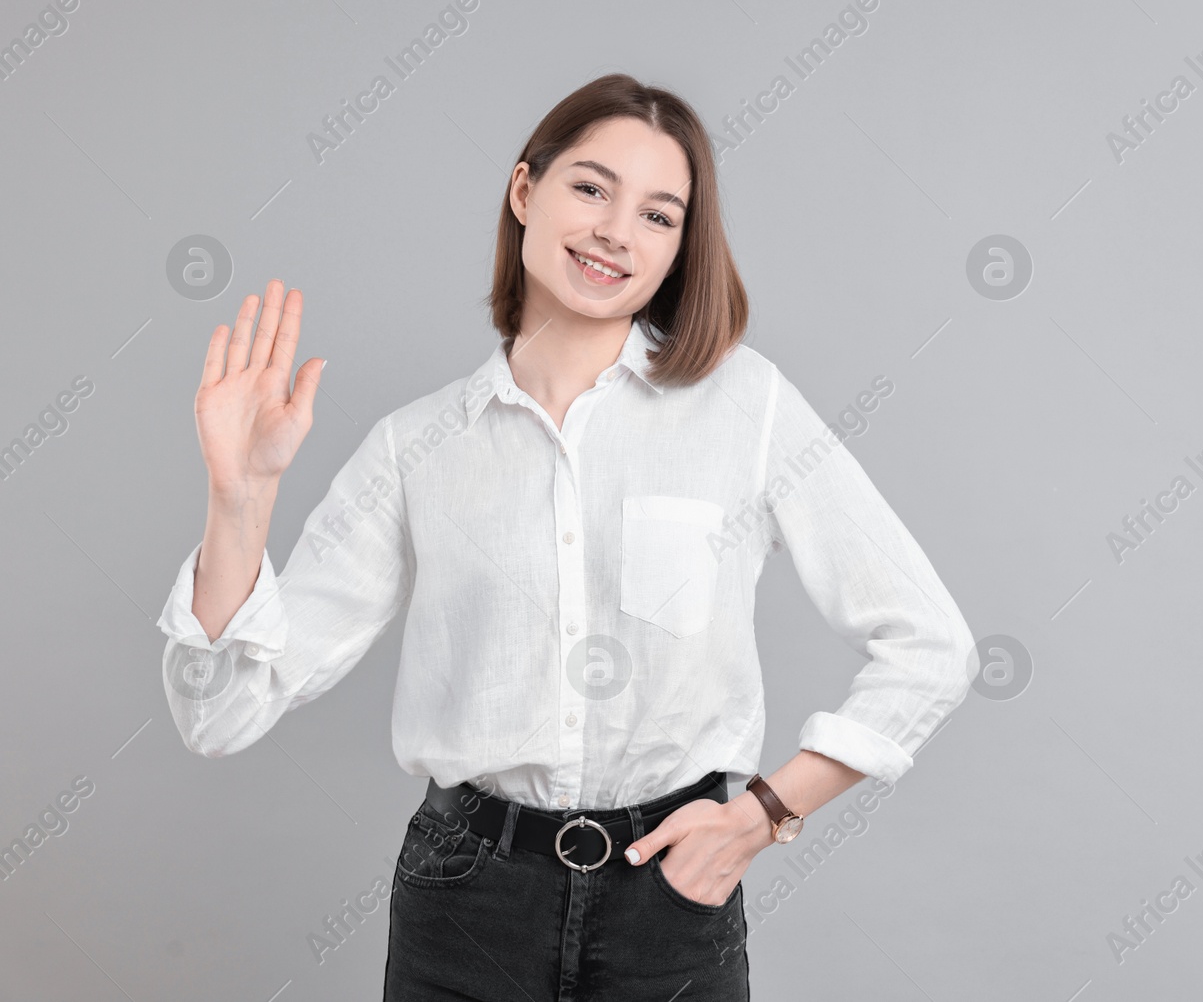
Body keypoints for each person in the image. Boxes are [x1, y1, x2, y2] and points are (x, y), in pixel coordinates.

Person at [155, 73, 975, 1000]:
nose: (617, 232)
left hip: (670, 904)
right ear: (523, 191)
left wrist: (765, 813)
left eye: (659, 215)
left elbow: (932, 645)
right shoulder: (416, 448)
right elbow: (219, 713)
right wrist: (242, 496)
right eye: (591, 188)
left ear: (678, 247)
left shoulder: (746, 408)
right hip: (464, 901)